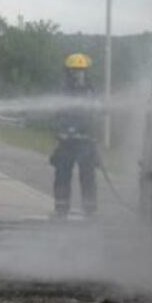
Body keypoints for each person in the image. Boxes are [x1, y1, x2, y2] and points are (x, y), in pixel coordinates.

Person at [49, 53, 100, 219]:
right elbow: (56, 114)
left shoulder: (91, 91)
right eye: (75, 71)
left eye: (82, 71)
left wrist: (89, 131)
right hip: (66, 143)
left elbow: (95, 113)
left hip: (86, 142)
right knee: (62, 174)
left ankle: (90, 209)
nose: (79, 74)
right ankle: (61, 208)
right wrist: (63, 130)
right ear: (68, 72)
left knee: (88, 176)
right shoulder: (63, 92)